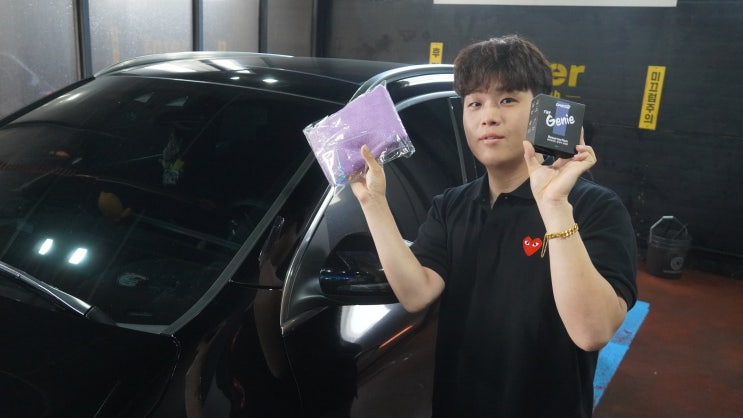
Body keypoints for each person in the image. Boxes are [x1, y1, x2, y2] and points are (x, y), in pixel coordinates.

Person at [350, 34, 637, 417]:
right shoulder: (451, 206)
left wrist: (554, 206)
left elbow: (592, 332)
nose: (488, 116)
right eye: (475, 103)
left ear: (542, 111)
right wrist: (373, 203)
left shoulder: (594, 207)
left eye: (507, 100)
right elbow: (416, 294)